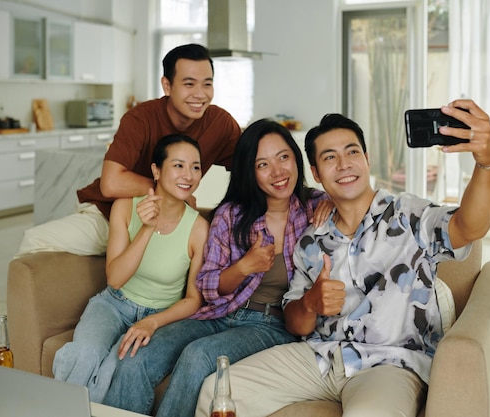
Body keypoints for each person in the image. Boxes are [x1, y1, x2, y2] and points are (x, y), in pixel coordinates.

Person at [196, 99, 490, 417]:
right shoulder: (311, 239)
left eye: (352, 152)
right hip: (319, 358)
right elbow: (297, 324)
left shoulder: (408, 215)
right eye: (330, 157)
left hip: (390, 363)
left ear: (366, 159)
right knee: (218, 390)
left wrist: (486, 163)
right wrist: (311, 303)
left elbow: (470, 226)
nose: (343, 164)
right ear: (315, 172)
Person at [102, 119, 332, 416]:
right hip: (219, 313)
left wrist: (329, 200)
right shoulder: (231, 215)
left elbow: (349, 200)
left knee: (199, 356)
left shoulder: (314, 207)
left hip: (270, 324)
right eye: (262, 164)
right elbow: (208, 285)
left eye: (284, 157)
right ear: (250, 171)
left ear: (296, 159)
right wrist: (244, 267)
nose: (278, 172)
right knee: (136, 353)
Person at [16, 43, 241, 257]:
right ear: (167, 85)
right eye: (189, 84)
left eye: (207, 84)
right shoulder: (140, 118)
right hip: (112, 215)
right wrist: (170, 190)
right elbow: (111, 183)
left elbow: (248, 166)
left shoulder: (220, 123)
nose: (200, 94)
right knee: (33, 239)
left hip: (170, 219)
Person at [52, 134, 209, 403]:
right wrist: (147, 228)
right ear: (156, 171)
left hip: (159, 315)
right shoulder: (125, 207)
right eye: (178, 165)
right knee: (85, 355)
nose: (189, 175)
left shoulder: (198, 228)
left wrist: (151, 322)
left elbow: (194, 300)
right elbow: (115, 278)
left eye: (195, 167)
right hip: (113, 305)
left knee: (117, 367)